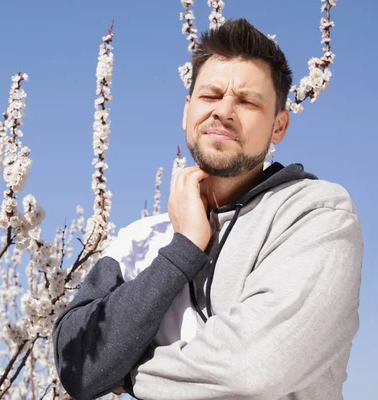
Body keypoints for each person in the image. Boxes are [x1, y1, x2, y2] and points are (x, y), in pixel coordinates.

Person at [52, 18, 363, 400]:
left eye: (248, 101)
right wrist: (181, 251)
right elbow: (77, 365)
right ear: (187, 110)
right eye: (211, 96)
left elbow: (254, 369)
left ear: (279, 126)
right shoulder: (139, 239)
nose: (224, 111)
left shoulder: (316, 214)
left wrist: (127, 372)